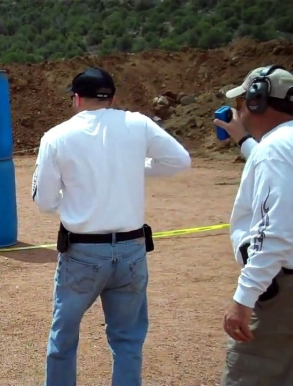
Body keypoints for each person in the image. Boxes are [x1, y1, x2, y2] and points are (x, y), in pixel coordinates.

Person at [32, 67, 191, 386]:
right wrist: (135, 166)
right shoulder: (138, 123)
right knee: (128, 342)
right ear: (113, 98)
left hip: (82, 253)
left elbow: (44, 201)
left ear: (76, 99)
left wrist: (75, 200)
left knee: (63, 341)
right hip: (132, 250)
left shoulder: (57, 137)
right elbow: (179, 161)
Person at [212, 65, 293, 386]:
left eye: (243, 100)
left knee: (250, 374)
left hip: (281, 291)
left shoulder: (275, 150)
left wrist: (244, 299)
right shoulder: (280, 147)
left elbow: (276, 232)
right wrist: (244, 140)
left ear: (258, 101)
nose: (239, 108)